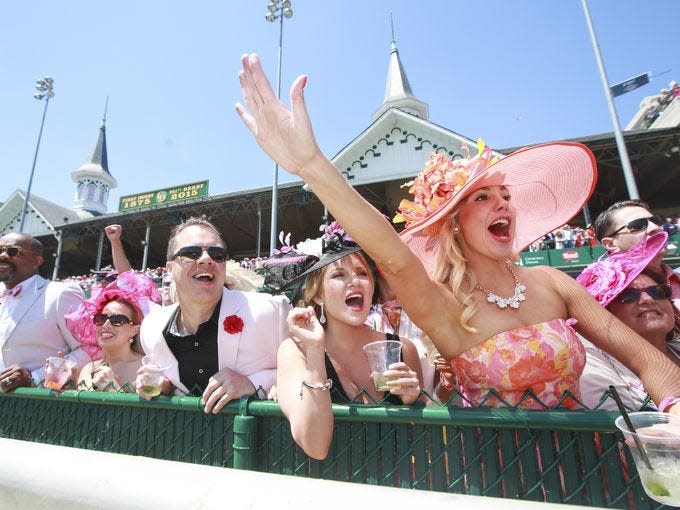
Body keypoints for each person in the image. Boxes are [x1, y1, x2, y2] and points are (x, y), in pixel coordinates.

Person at [235, 53, 680, 412]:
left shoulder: (555, 283)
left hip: (593, 468)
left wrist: (674, 409)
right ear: (453, 225)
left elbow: (647, 361)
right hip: (498, 477)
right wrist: (312, 165)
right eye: (481, 198)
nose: (502, 203)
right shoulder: (443, 304)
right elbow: (391, 255)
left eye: (503, 194)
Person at [277, 223, 423, 459]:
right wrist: (315, 350)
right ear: (318, 295)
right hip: (330, 485)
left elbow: (424, 437)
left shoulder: (403, 349)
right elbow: (315, 447)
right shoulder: (296, 352)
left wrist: (412, 399)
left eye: (363, 273)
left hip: (396, 484)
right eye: (338, 275)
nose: (355, 281)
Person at [135, 217, 291, 414]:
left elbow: (310, 373)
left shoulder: (270, 311)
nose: (206, 259)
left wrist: (253, 383)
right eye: (191, 253)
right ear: (169, 269)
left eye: (217, 254)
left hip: (255, 439)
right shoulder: (152, 328)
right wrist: (164, 385)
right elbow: (164, 378)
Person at [578, 231, 679, 410]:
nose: (648, 299)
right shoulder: (594, 367)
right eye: (628, 296)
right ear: (604, 312)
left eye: (658, 291)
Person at [0, 233, 89, 391]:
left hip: (40, 401)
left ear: (36, 261)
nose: (3, 256)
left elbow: (89, 349)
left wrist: (35, 378)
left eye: (12, 251)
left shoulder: (60, 293)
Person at [66, 271, 159, 392]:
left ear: (134, 330)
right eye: (101, 319)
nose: (106, 324)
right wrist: (67, 387)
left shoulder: (146, 370)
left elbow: (149, 411)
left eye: (118, 320)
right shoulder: (87, 370)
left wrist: (113, 389)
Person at [593, 199, 680, 308]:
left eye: (656, 220)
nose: (655, 228)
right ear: (611, 244)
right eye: (638, 225)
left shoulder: (676, 277)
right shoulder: (602, 295)